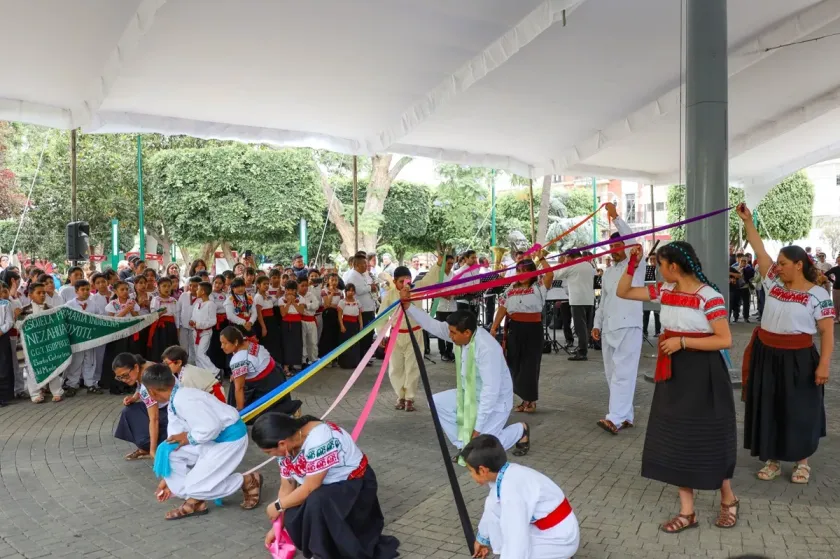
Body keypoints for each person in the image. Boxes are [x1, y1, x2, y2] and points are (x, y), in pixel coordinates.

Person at [616, 241, 738, 532]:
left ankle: (728, 500)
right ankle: (687, 512)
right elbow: (624, 292)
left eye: (659, 264)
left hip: (704, 373)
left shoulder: (709, 296)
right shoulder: (665, 291)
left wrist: (682, 341)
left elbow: (724, 339)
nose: (657, 270)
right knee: (677, 438)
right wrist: (632, 265)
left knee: (710, 437)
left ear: (673, 267)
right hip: (674, 371)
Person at [737, 204, 834, 484]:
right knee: (770, 405)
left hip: (799, 358)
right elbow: (759, 250)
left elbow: (827, 333)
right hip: (766, 354)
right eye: (777, 263)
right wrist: (748, 221)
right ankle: (773, 459)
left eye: (782, 264)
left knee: (799, 408)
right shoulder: (773, 283)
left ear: (798, 265)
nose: (776, 267)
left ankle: (802, 462)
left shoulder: (818, 295)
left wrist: (824, 364)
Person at [399, 289, 530, 454]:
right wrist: (409, 306)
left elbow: (491, 392)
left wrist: (478, 428)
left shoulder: (486, 349)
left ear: (466, 332)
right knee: (435, 403)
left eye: (453, 333)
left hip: (495, 402)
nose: (450, 336)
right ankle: (464, 445)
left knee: (483, 451)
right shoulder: (464, 335)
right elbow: (433, 326)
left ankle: (520, 430)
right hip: (469, 394)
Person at [254, 413, 400, 559]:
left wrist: (278, 506)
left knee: (316, 502)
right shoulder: (287, 447)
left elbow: (310, 487)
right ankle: (320, 549)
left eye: (269, 452)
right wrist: (277, 526)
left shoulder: (319, 439)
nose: (270, 455)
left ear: (282, 443)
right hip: (325, 488)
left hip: (355, 485)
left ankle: (323, 554)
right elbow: (287, 486)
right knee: (293, 509)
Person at [142, 365, 262, 520]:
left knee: (194, 487)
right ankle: (195, 499)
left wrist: (188, 438)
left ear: (152, 392)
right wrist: (169, 479)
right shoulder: (176, 396)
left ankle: (246, 481)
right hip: (207, 438)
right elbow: (177, 433)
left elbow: (211, 427)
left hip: (228, 440)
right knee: (169, 452)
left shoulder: (183, 399)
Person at [464, 435, 579, 559]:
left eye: (470, 470)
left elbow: (516, 537)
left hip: (562, 539)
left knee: (516, 547)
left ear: (482, 470)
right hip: (551, 528)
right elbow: (492, 509)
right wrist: (482, 540)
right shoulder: (507, 473)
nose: (471, 475)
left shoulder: (511, 491)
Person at [592, 203, 646, 434]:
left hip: (629, 326)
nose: (613, 249)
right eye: (610, 246)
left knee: (623, 373)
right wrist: (596, 325)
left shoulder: (637, 263)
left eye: (616, 245)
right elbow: (603, 302)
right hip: (609, 328)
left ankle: (614, 418)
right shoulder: (609, 273)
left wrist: (615, 218)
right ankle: (626, 416)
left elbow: (634, 241)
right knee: (612, 374)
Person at [490, 255, 554, 414]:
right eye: (519, 271)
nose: (522, 274)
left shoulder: (539, 285)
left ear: (533, 272)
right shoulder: (511, 288)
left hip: (533, 329)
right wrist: (494, 327)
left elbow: (550, 274)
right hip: (515, 328)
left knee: (530, 365)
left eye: (525, 271)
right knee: (514, 363)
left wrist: (542, 257)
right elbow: (503, 308)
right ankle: (523, 398)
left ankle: (530, 400)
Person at [378, 262, 441, 412]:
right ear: (395, 282)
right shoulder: (390, 295)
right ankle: (400, 396)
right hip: (396, 336)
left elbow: (430, 279)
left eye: (408, 280)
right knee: (395, 368)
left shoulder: (417, 290)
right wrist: (381, 335)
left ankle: (409, 398)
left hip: (415, 333)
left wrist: (438, 265)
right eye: (402, 281)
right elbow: (382, 317)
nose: (406, 284)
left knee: (413, 367)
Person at [219, 326, 301, 417]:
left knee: (256, 413)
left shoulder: (239, 359)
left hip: (267, 384)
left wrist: (241, 413)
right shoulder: (245, 341)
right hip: (276, 373)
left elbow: (239, 388)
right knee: (234, 383)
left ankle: (293, 408)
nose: (222, 347)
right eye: (221, 343)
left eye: (225, 343)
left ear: (235, 342)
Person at [113, 354, 168, 461]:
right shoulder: (146, 366)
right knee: (129, 411)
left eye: (125, 375)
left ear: (136, 367)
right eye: (119, 377)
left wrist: (152, 450)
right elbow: (139, 386)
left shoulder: (148, 384)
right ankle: (144, 447)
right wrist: (134, 398)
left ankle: (151, 447)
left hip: (171, 413)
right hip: (163, 407)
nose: (124, 380)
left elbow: (154, 419)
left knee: (145, 431)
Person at [23, 282, 65, 403]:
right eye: (38, 293)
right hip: (32, 347)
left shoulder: (51, 309)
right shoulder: (24, 311)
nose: (42, 295)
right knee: (32, 368)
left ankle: (57, 391)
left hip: (48, 345)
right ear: (30, 295)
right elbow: (20, 328)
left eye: (43, 293)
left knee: (52, 366)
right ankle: (35, 393)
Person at [554, 251, 595, 361]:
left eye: (566, 258)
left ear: (569, 257)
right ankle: (583, 349)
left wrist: (562, 264)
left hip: (578, 300)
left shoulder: (572, 265)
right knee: (586, 327)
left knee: (579, 328)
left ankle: (582, 352)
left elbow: (555, 275)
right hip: (589, 300)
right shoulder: (589, 265)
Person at [63, 280, 100, 396]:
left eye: (87, 289)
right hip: (76, 339)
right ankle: (72, 384)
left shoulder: (93, 304)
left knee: (90, 360)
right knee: (76, 361)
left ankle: (90, 384)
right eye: (82, 290)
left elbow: (99, 319)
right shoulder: (69, 305)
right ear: (76, 291)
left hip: (89, 338)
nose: (85, 292)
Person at [101, 281, 139, 394]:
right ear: (116, 291)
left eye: (127, 289)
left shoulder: (132, 302)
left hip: (130, 334)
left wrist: (131, 310)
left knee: (129, 359)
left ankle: (131, 385)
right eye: (122, 289)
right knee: (117, 360)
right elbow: (112, 320)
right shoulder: (112, 304)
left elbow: (137, 316)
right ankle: (117, 386)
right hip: (117, 337)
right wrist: (125, 310)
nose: (125, 292)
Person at [161, 345, 225, 402]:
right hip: (207, 396)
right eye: (163, 363)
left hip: (215, 397)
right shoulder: (184, 369)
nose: (165, 366)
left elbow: (191, 399)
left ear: (179, 362)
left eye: (167, 363)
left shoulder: (187, 376)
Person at [343, 253, 377, 357]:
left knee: (369, 334)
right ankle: (363, 356)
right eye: (364, 264)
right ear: (357, 265)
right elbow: (356, 290)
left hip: (369, 308)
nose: (366, 266)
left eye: (366, 264)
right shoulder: (353, 276)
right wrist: (370, 287)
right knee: (365, 335)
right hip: (363, 310)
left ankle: (366, 355)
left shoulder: (362, 275)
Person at [148, 277, 180, 363]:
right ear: (158, 288)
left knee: (171, 347)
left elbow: (176, 315)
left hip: (171, 327)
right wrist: (160, 313)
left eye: (169, 286)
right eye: (164, 286)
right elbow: (153, 315)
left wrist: (177, 329)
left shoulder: (173, 300)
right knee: (160, 347)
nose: (167, 288)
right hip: (160, 328)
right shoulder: (156, 300)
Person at [190, 281, 219, 375]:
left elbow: (213, 321)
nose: (196, 290)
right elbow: (193, 317)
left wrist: (199, 324)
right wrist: (192, 321)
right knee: (197, 355)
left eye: (198, 289)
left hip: (205, 332)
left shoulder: (211, 304)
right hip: (196, 332)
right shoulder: (197, 304)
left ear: (202, 291)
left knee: (201, 354)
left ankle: (216, 372)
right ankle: (201, 373)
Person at [433, 255, 457, 362]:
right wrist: (444, 295)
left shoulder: (455, 275)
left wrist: (454, 294)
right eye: (448, 263)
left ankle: (450, 350)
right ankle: (442, 352)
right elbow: (435, 289)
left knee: (452, 329)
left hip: (452, 306)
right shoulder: (438, 275)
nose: (451, 266)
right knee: (442, 330)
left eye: (452, 263)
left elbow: (458, 288)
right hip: (441, 306)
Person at [254, 276, 283, 364]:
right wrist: (263, 327)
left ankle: (276, 363)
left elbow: (273, 300)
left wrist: (278, 294)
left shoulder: (267, 295)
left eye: (268, 284)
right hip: (265, 321)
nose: (266, 286)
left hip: (272, 320)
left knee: (274, 342)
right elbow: (259, 314)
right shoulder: (258, 297)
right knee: (268, 343)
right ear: (258, 285)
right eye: (264, 284)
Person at [338, 284, 363, 369]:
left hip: (354, 324)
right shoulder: (342, 302)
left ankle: (354, 362)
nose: (351, 292)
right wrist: (342, 325)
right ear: (345, 292)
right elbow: (339, 315)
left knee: (355, 343)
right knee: (346, 343)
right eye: (349, 290)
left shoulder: (357, 302)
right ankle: (345, 363)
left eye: (353, 291)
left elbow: (359, 315)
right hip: (346, 324)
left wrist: (361, 324)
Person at [176, 276, 200, 364]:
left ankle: (194, 367)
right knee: (183, 348)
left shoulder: (202, 298)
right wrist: (177, 326)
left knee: (194, 349)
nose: (192, 288)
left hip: (196, 328)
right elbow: (178, 311)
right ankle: (183, 366)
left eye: (196, 286)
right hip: (183, 327)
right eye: (191, 285)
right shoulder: (184, 295)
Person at [318, 273, 343, 359]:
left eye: (336, 280)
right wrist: (332, 293)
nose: (334, 282)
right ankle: (325, 356)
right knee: (327, 334)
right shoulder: (324, 290)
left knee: (335, 334)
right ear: (328, 281)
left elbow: (341, 305)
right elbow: (326, 305)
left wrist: (333, 305)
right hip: (328, 315)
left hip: (337, 314)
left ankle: (334, 357)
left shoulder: (340, 292)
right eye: (332, 280)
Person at [298, 277, 320, 366]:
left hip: (311, 320)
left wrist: (307, 305)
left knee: (313, 341)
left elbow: (316, 305)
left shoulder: (311, 294)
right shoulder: (296, 296)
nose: (304, 288)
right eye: (302, 286)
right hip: (301, 321)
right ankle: (304, 360)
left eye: (306, 285)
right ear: (298, 286)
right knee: (303, 342)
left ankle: (314, 358)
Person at [0, 280, 13, 407]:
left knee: (3, 367)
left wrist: (1, 331)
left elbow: (9, 321)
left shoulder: (5, 304)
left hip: (2, 337)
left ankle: (3, 396)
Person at [643, 255, 661, 336]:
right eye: (651, 259)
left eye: (654, 259)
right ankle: (644, 331)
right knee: (646, 313)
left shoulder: (660, 270)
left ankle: (658, 332)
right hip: (648, 294)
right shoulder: (646, 270)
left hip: (656, 294)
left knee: (657, 314)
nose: (652, 260)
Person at [826, 255, 840, 324]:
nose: (839, 262)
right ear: (837, 261)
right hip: (836, 288)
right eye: (838, 261)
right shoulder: (835, 268)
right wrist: (832, 281)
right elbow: (826, 274)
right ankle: (837, 317)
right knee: (836, 304)